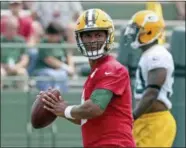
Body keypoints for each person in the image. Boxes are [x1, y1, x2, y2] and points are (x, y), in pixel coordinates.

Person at [38, 9, 136, 147]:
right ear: (80, 39)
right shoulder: (96, 72)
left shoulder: (112, 68)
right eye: (88, 36)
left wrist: (65, 109)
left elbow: (94, 108)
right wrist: (57, 107)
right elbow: (85, 118)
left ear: (109, 36)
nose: (93, 40)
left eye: (98, 35)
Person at [123, 10, 176, 147]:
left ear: (149, 32)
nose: (133, 33)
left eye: (137, 29)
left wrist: (132, 116)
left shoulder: (157, 54)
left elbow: (152, 92)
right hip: (145, 119)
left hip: (155, 121)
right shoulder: (148, 54)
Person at [33, 22, 74, 92]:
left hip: (59, 71)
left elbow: (68, 55)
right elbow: (48, 59)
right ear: (50, 35)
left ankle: (60, 98)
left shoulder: (60, 42)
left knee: (62, 75)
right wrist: (65, 67)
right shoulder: (43, 43)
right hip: (44, 70)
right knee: (53, 76)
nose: (59, 37)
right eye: (57, 35)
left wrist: (71, 67)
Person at [1, 15, 29, 90]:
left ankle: (22, 99)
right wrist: (4, 66)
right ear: (5, 28)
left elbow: (25, 59)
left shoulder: (21, 40)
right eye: (10, 28)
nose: (12, 30)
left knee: (23, 73)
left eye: (15, 28)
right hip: (2, 67)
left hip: (16, 67)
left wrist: (16, 67)